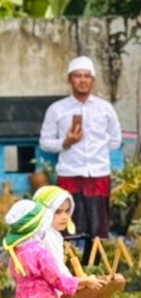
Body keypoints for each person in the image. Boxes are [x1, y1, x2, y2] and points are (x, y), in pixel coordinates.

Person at [39, 57, 122, 253]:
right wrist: (66, 143)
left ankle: (97, 265)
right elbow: (45, 142)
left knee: (98, 227)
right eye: (77, 76)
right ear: (70, 79)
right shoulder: (57, 109)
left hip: (98, 175)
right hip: (69, 174)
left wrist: (97, 155)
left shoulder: (105, 109)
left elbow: (115, 141)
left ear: (93, 80)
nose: (82, 80)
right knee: (67, 225)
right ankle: (69, 266)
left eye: (87, 76)